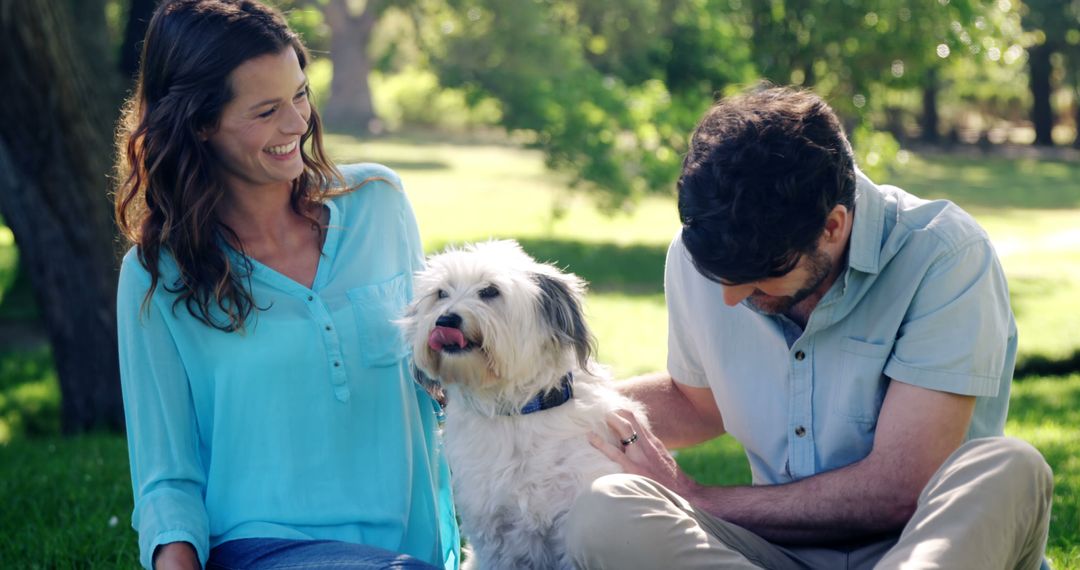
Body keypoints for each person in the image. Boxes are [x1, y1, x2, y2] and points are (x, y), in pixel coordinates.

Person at [566, 87, 1054, 569]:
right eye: (719, 277)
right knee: (604, 510)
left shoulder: (945, 255)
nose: (731, 298)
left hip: (921, 544)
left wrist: (696, 496)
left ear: (833, 226)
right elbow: (698, 405)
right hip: (768, 552)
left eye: (761, 274)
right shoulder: (706, 254)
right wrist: (552, 404)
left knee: (1010, 468)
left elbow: (900, 490)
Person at [113, 1, 458, 569]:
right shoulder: (159, 276)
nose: (297, 123)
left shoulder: (380, 204)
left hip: (407, 551)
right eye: (267, 110)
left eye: (300, 94)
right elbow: (167, 480)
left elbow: (449, 370)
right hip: (260, 548)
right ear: (201, 123)